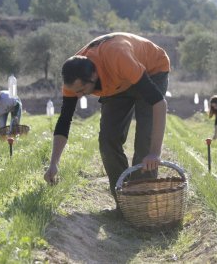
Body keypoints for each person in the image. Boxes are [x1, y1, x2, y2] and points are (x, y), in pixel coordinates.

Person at [43, 32, 170, 208]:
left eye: (82, 90)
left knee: (145, 143)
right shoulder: (74, 80)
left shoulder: (118, 57)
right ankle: (124, 201)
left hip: (151, 69)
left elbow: (159, 103)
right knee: (107, 139)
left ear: (93, 76)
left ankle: (141, 203)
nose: (78, 96)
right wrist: (53, 164)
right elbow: (64, 122)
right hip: (116, 82)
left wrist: (155, 153)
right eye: (75, 91)